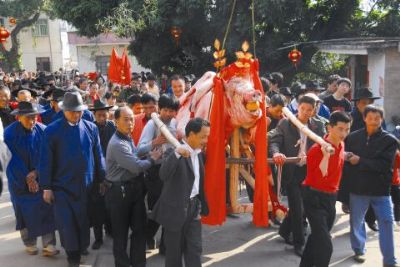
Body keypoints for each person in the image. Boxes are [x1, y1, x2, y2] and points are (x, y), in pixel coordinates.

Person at [39, 92, 105, 267]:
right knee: (67, 224)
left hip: (86, 185)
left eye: (79, 111)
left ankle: (81, 247)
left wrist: (102, 179)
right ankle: (72, 257)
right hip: (62, 188)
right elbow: (45, 161)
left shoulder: (91, 128)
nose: (76, 114)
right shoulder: (52, 131)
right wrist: (46, 187)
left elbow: (98, 156)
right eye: (72, 111)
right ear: (64, 110)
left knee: (83, 222)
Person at [269, 95, 326, 256]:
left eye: (310, 110)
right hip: (292, 171)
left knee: (304, 206)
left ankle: (284, 230)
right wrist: (277, 153)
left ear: (315, 110)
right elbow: (274, 141)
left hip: (310, 171)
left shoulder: (318, 125)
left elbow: (322, 143)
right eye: (303, 109)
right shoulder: (286, 123)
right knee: (298, 207)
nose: (306, 112)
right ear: (297, 108)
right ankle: (299, 243)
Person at [105, 106, 161, 267]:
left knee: (139, 230)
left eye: (131, 119)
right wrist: (153, 159)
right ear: (116, 122)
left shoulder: (126, 137)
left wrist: (152, 145)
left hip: (134, 188)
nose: (130, 123)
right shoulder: (117, 143)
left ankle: (138, 263)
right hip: (119, 192)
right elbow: (136, 166)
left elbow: (135, 153)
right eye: (126, 119)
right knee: (120, 233)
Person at [151, 117, 210, 267]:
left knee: (195, 250)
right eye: (203, 137)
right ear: (190, 134)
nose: (206, 140)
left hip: (194, 207)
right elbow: (163, 174)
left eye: (207, 136)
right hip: (174, 210)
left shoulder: (200, 153)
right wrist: (177, 154)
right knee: (174, 254)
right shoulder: (173, 151)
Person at [344, 105, 398, 266]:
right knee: (356, 222)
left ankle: (390, 260)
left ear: (382, 119)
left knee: (387, 222)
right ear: (364, 118)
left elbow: (384, 165)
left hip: (381, 190)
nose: (374, 121)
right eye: (370, 118)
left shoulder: (390, 140)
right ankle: (359, 250)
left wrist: (360, 161)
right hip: (358, 188)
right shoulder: (352, 137)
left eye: (377, 118)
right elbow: (345, 163)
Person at [4, 102, 59, 256]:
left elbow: (48, 156)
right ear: (19, 117)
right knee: (23, 212)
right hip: (18, 181)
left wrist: (36, 173)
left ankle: (49, 245)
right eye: (28, 118)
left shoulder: (43, 130)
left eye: (34, 117)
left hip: (40, 178)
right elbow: (10, 160)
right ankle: (29, 243)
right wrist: (26, 178)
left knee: (47, 209)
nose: (32, 120)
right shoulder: (9, 134)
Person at [300, 111, 351, 267]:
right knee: (325, 246)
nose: (344, 133)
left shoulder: (341, 144)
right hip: (314, 197)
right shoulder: (316, 150)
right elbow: (321, 175)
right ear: (329, 127)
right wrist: (326, 156)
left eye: (347, 129)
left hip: (331, 197)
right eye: (340, 129)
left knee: (317, 237)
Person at [137, 94, 179, 252]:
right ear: (159, 109)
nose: (168, 114)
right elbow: (139, 150)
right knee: (157, 209)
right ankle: (147, 235)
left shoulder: (174, 122)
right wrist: (155, 142)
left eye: (172, 111)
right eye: (166, 110)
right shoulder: (151, 124)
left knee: (169, 208)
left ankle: (165, 246)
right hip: (155, 171)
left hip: (171, 170)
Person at [88, 99, 117, 249]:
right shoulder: (90, 128)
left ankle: (110, 230)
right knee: (97, 207)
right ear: (94, 115)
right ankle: (98, 238)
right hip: (95, 174)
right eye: (99, 115)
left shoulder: (112, 127)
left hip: (111, 172)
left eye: (104, 115)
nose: (102, 118)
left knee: (110, 205)